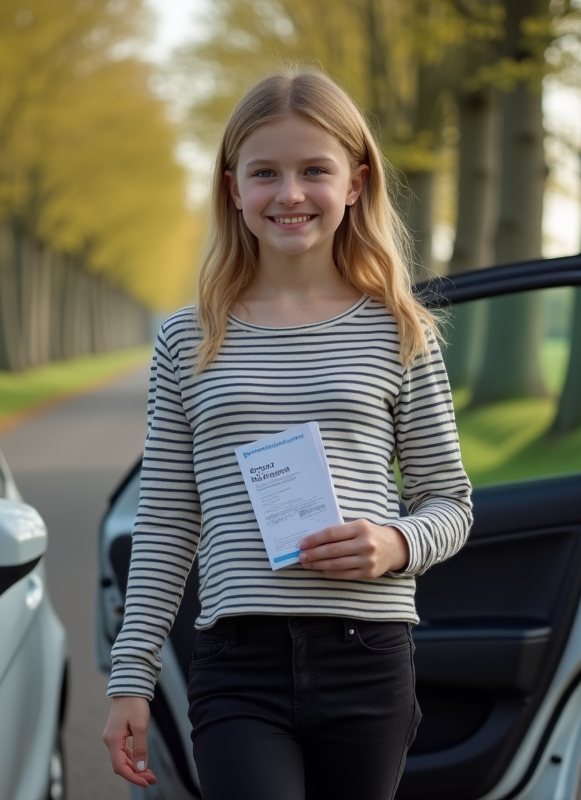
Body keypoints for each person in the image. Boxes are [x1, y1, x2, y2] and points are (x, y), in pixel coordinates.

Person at [101, 67, 474, 800]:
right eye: (265, 172)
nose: (291, 194)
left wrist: (395, 543)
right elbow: (169, 520)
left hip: (367, 658)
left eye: (315, 171)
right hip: (240, 664)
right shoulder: (188, 339)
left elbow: (450, 502)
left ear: (357, 183)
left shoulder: (401, 332)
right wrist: (130, 677)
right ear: (234, 187)